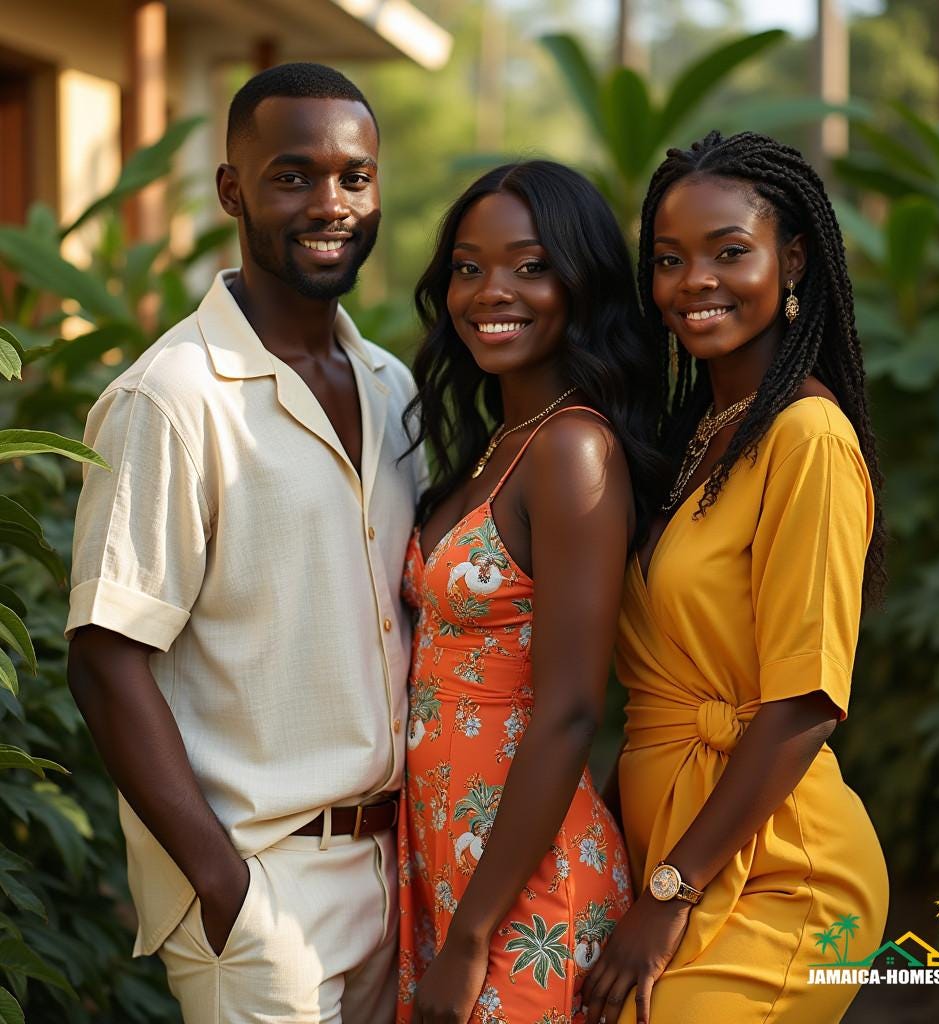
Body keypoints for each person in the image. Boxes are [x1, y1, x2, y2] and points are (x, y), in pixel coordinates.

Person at [65, 63, 426, 1023]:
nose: (331, 203)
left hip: (397, 875)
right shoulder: (171, 398)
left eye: (356, 176)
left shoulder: (394, 388)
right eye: (293, 175)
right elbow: (107, 661)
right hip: (262, 890)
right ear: (233, 189)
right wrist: (226, 891)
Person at [581, 131, 889, 1024]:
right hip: (672, 849)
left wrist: (668, 894)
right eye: (670, 260)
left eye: (729, 252)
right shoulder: (696, 437)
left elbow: (805, 701)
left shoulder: (808, 438)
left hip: (780, 873)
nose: (694, 281)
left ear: (791, 261)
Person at [395, 161, 662, 1024]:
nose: (489, 292)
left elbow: (573, 710)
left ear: (580, 282)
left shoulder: (573, 450)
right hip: (446, 860)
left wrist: (472, 937)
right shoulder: (495, 443)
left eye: (530, 265)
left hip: (527, 886)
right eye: (468, 268)